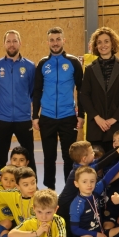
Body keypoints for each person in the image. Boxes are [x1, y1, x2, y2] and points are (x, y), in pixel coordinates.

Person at [33, 27, 84, 189]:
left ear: (64, 40)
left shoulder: (73, 62)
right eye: (52, 40)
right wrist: (35, 115)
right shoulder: (42, 63)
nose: (55, 43)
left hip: (68, 116)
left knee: (69, 157)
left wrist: (81, 114)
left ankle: (70, 191)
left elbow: (81, 90)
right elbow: (37, 91)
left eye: (58, 39)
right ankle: (50, 190)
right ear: (48, 42)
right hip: (47, 117)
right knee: (49, 157)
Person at [0, 30, 36, 173]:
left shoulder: (30, 66)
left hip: (24, 119)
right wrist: (3, 109)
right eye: (8, 41)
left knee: (29, 156)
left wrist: (24, 107)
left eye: (15, 41)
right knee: (1, 157)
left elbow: (33, 91)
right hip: (3, 119)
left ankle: (32, 186)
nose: (12, 44)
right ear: (4, 44)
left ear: (20, 43)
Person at [81, 27, 119, 154]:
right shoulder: (89, 69)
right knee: (97, 166)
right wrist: (97, 118)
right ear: (95, 46)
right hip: (96, 126)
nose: (103, 45)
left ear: (112, 43)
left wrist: (113, 119)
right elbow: (84, 96)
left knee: (118, 164)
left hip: (117, 125)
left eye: (106, 41)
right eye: (99, 42)